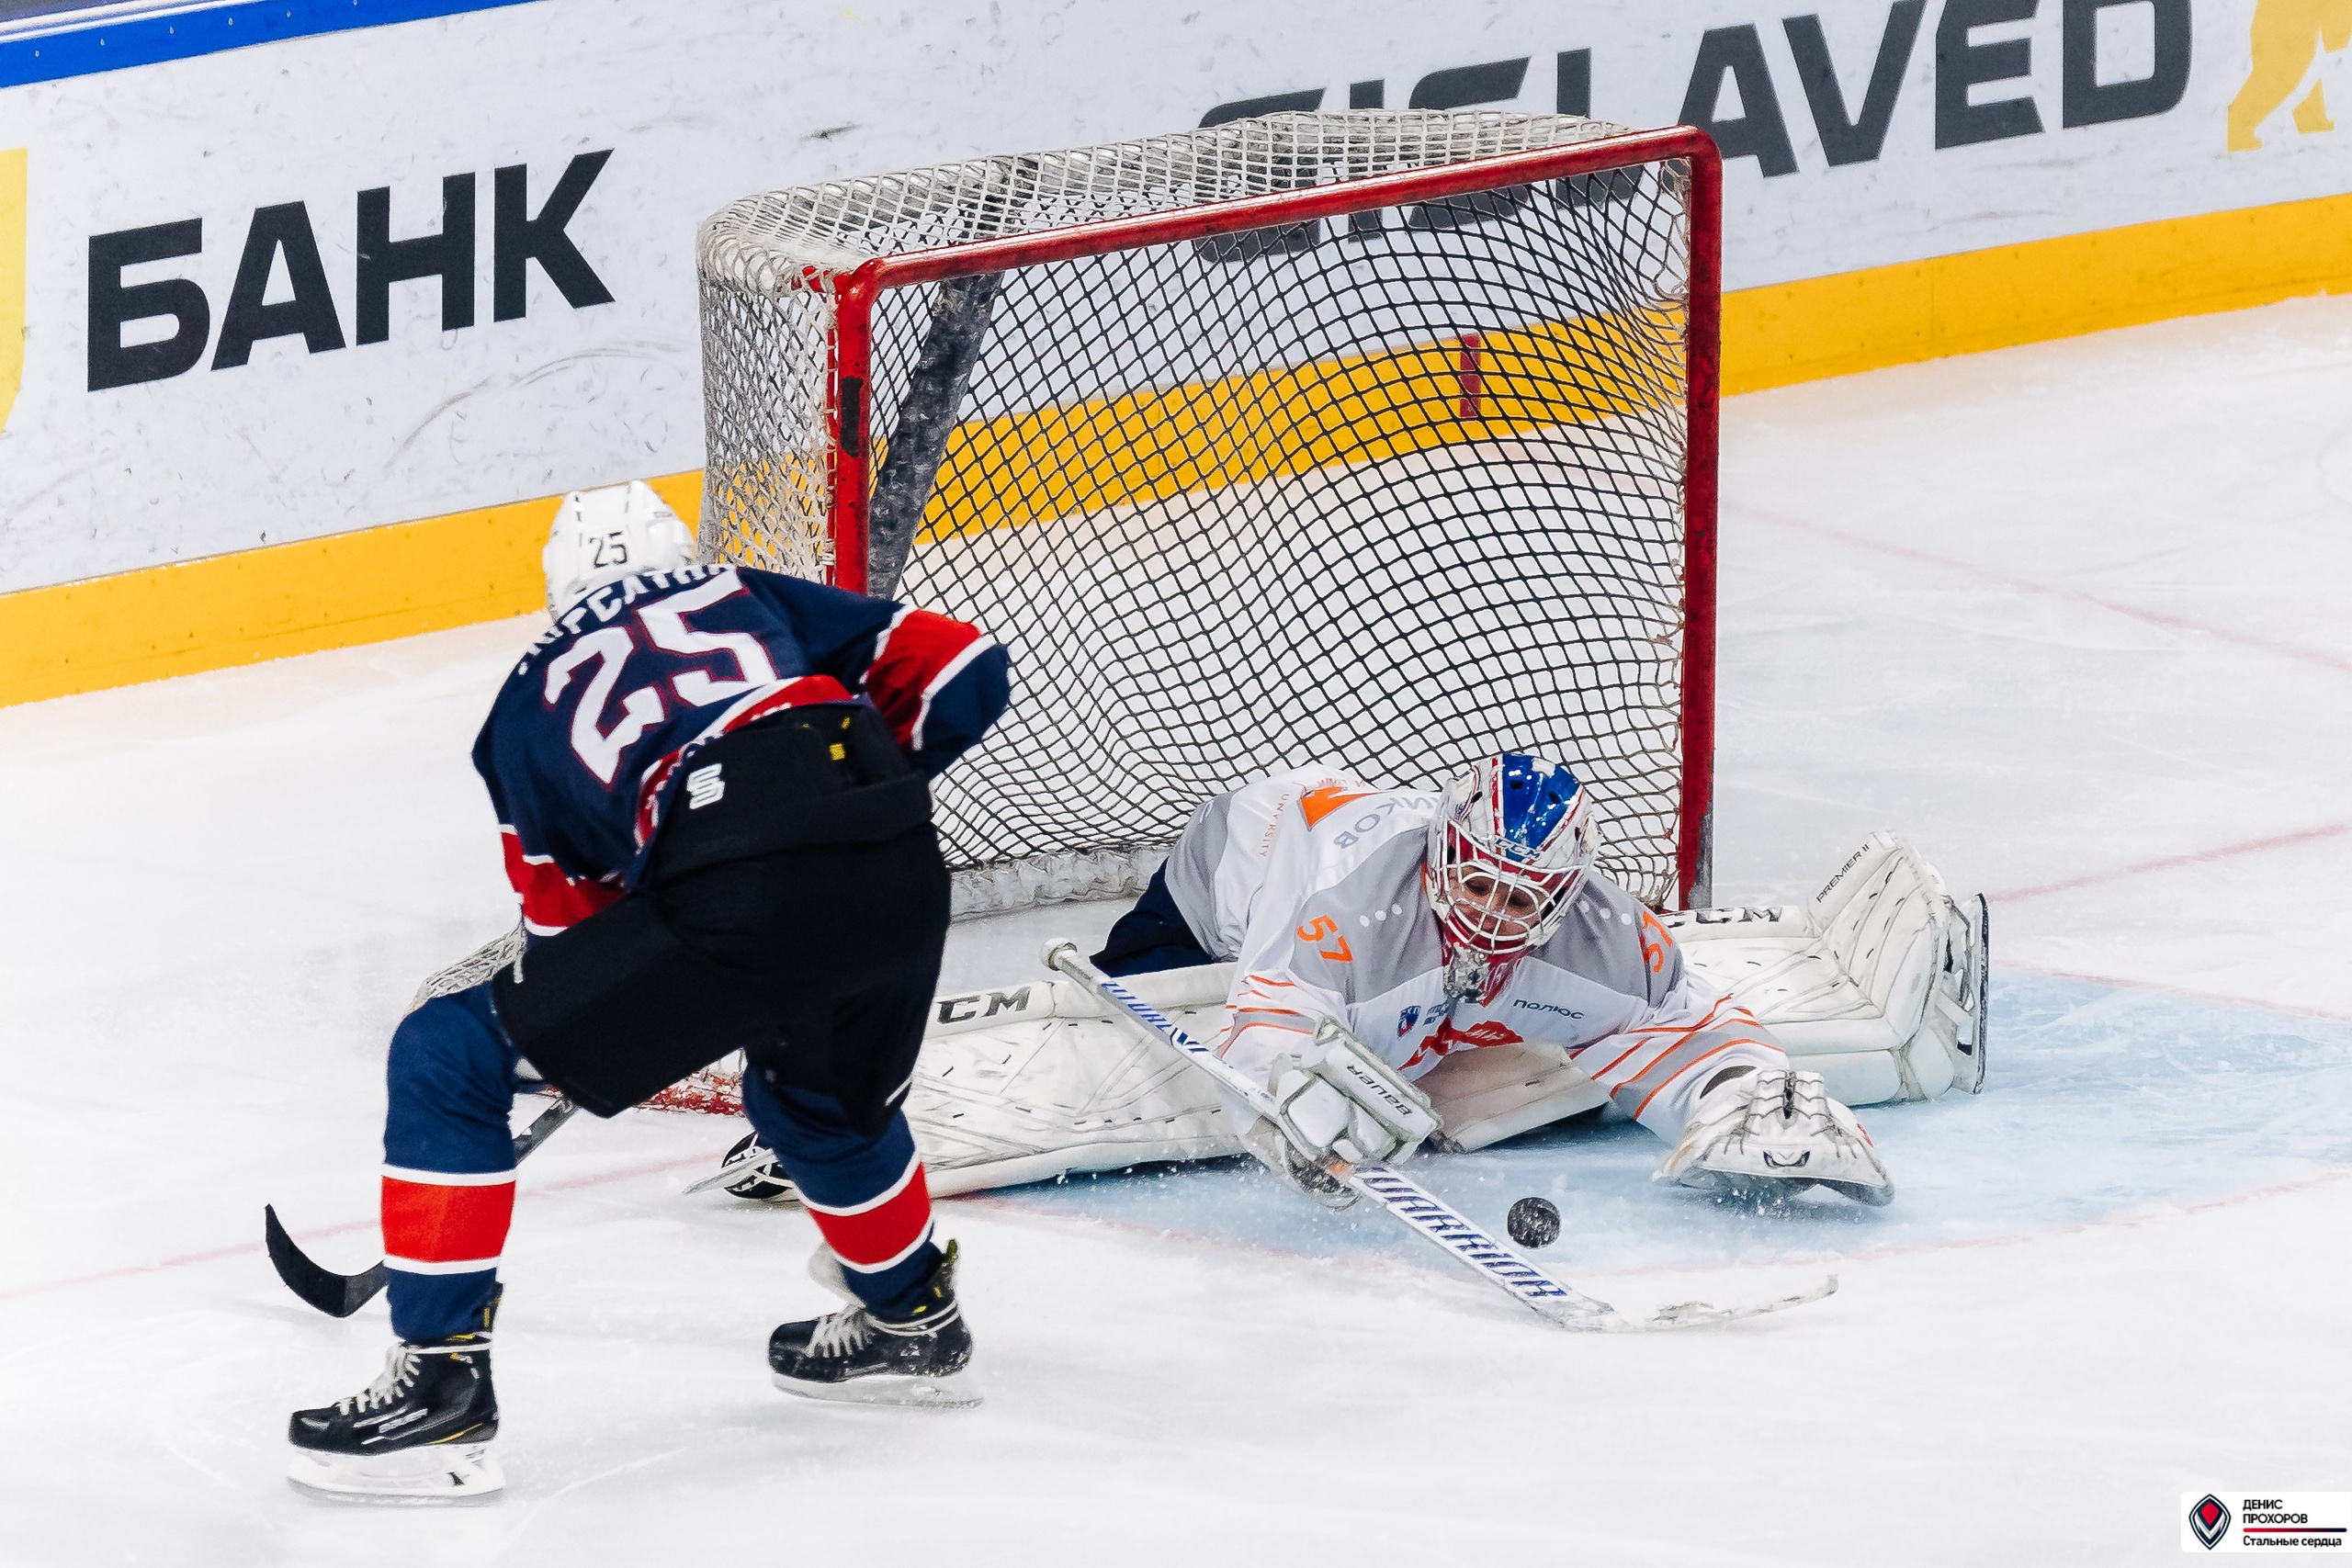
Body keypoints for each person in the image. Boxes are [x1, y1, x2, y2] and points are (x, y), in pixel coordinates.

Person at [285, 482, 1011, 1503]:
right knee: (817, 1106)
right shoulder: (740, 592)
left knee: (448, 1055)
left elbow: (568, 935)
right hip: (893, 850)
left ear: (555, 592)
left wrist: (683, 928)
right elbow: (966, 671)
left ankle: (440, 1388)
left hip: (739, 867)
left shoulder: (523, 707)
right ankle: (911, 1323)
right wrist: (851, 803)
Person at [1091, 756, 1894, 1208]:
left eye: (1518, 898)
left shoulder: (1602, 932)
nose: (1489, 915)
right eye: (1476, 885)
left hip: (1374, 922)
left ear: (1564, 897)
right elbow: (1268, 1016)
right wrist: (1295, 1107)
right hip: (1249, 857)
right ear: (1442, 858)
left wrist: (1742, 1098)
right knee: (1128, 1012)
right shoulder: (1348, 908)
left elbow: (1685, 1025)